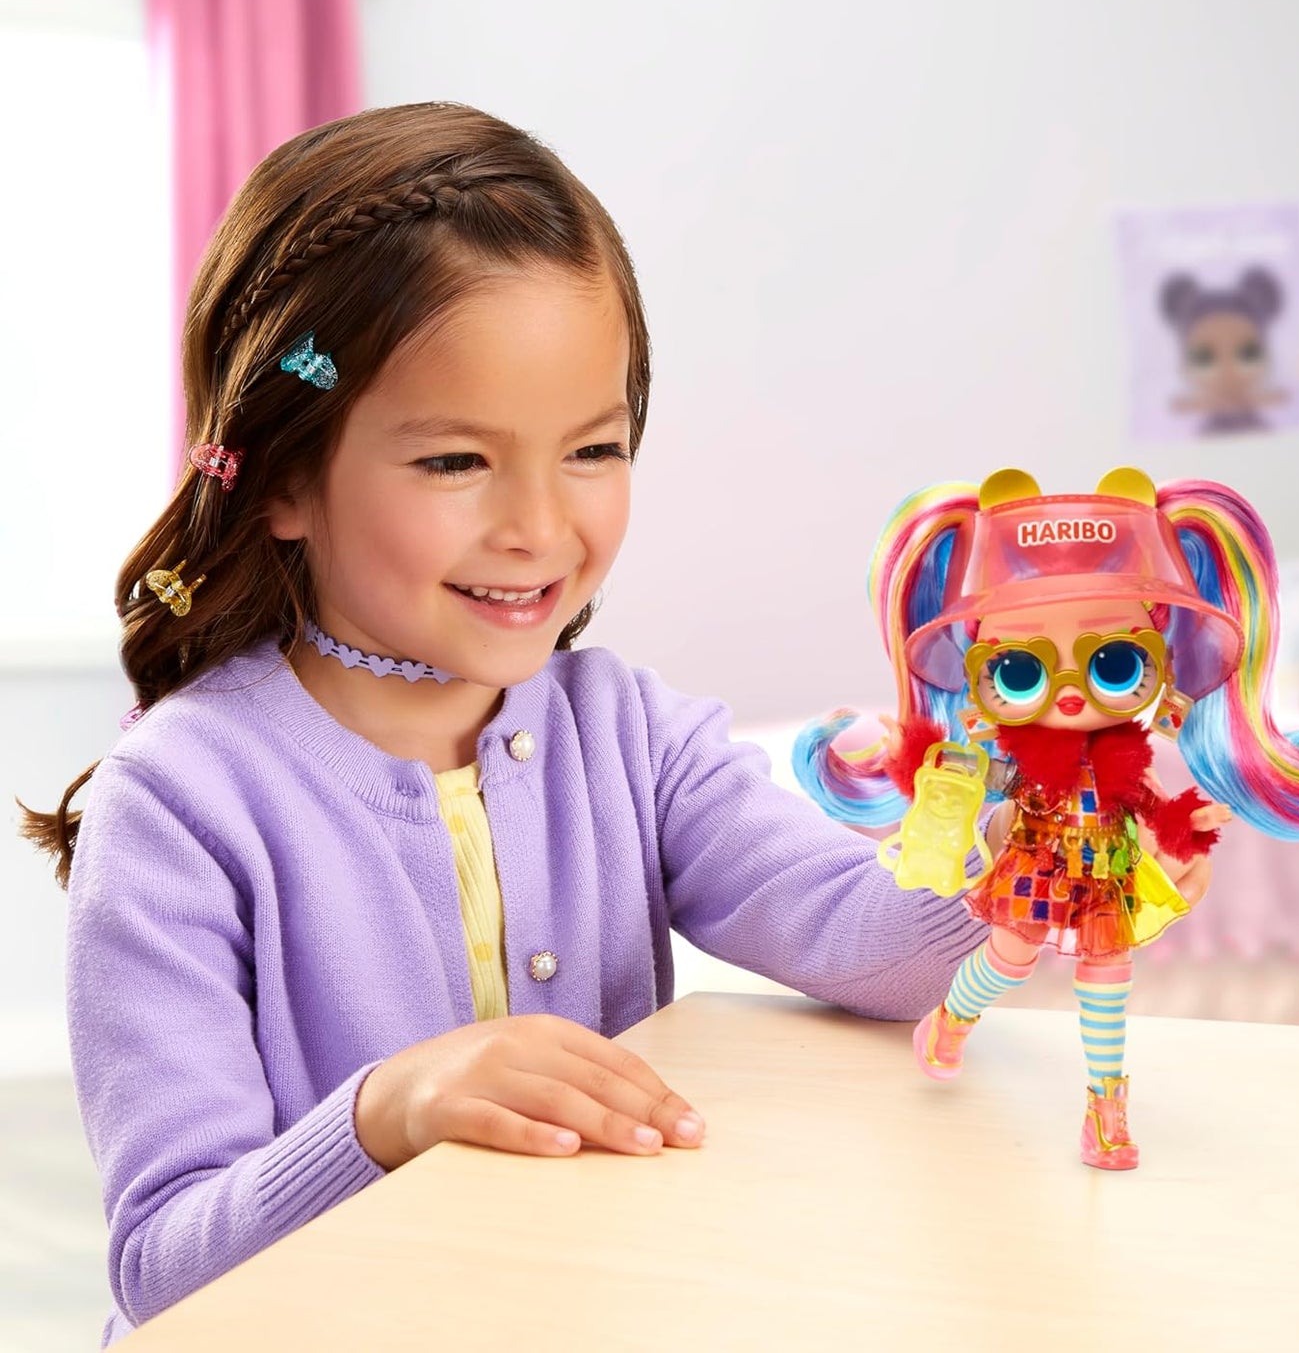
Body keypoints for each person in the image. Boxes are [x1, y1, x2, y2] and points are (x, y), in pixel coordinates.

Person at [20, 102, 990, 1345]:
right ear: (282, 477)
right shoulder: (181, 805)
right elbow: (165, 1269)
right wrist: (387, 1110)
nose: (538, 526)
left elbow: (882, 953)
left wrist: (1032, 843)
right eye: (454, 462)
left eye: (592, 448)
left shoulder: (629, 735)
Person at [795, 467, 1299, 1169]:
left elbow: (1152, 802)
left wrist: (1188, 823)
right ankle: (951, 1019)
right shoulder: (1010, 749)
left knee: (1107, 976)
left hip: (1107, 869)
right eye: (1020, 670)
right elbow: (973, 777)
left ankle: (1106, 1110)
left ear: (1158, 658)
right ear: (981, 672)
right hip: (1034, 865)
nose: (1070, 694)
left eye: (1114, 662)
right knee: (1008, 958)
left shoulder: (1130, 750)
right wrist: (921, 765)